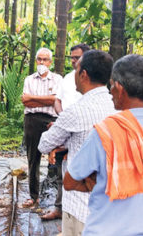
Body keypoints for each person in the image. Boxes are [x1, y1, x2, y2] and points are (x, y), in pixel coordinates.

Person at [64, 55, 143, 235]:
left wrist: (97, 183)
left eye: (111, 85)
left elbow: (69, 182)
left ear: (119, 88)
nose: (110, 92)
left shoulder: (105, 132)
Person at [38, 50, 116, 234]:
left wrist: (62, 140)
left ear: (84, 75)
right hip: (108, 200)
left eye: (76, 68)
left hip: (79, 203)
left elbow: (44, 145)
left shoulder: (77, 111)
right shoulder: (115, 105)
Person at [42, 44, 89, 221]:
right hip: (65, 127)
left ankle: (77, 214)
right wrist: (63, 118)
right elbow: (57, 101)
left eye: (78, 57)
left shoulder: (91, 79)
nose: (74, 60)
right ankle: (60, 208)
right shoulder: (68, 78)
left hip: (83, 131)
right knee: (61, 170)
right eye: (72, 57)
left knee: (79, 171)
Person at [21, 48, 63, 208]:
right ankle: (33, 196)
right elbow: (26, 102)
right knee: (33, 158)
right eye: (39, 59)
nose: (42, 63)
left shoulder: (58, 79)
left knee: (57, 158)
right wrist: (46, 99)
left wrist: (34, 98)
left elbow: (55, 100)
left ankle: (59, 200)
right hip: (32, 120)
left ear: (50, 62)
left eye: (45, 60)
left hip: (51, 120)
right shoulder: (29, 79)